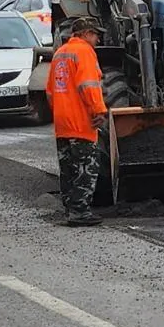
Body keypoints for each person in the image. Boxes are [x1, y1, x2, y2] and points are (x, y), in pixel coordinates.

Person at [47, 16, 109, 227]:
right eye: (95, 35)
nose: (97, 40)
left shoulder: (59, 54)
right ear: (84, 34)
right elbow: (89, 85)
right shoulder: (84, 52)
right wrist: (98, 111)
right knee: (87, 167)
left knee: (68, 168)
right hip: (81, 122)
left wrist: (60, 112)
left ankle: (69, 208)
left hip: (63, 123)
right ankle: (80, 211)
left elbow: (49, 92)